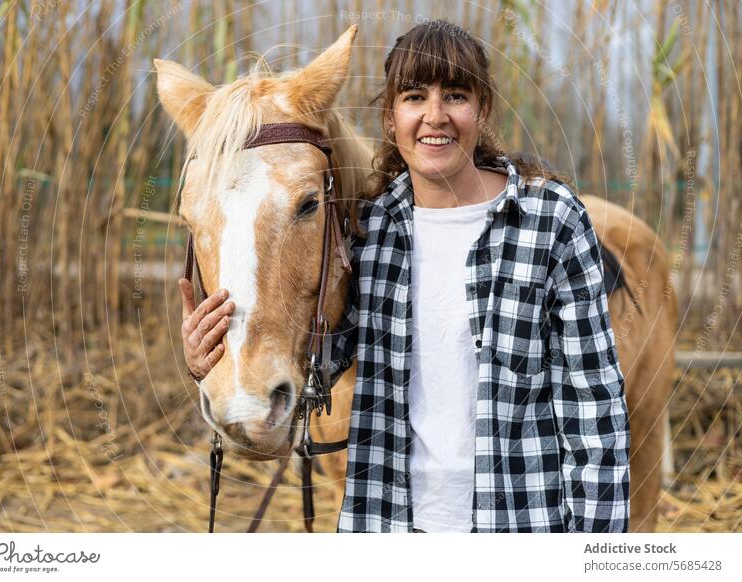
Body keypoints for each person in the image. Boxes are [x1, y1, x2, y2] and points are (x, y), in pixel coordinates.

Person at [181, 20, 630, 533]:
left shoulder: (551, 220)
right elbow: (322, 362)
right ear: (390, 119)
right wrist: (215, 357)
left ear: (482, 112)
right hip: (388, 525)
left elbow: (594, 408)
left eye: (456, 95)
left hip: (520, 522)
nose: (434, 116)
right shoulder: (372, 230)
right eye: (415, 97)